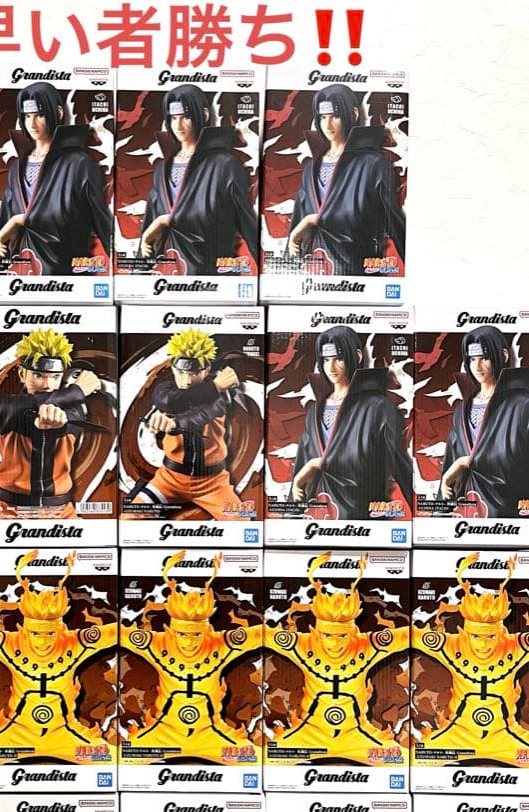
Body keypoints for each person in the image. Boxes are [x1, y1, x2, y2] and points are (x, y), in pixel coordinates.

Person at [412, 553, 529, 759]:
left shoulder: (515, 646)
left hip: (508, 738)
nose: (483, 645)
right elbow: (410, 636)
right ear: (466, 633)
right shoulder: (452, 645)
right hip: (455, 737)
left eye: (491, 636)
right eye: (476, 636)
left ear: (501, 633)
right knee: (413, 759)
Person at [265, 552, 408, 760]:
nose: (335, 644)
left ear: (352, 632)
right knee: (262, 760)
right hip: (307, 735)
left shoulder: (365, 646)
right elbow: (262, 635)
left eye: (342, 636)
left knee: (402, 761)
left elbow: (408, 636)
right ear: (318, 632)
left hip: (359, 737)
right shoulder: (303, 645)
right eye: (328, 636)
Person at [121, 552, 261, 760]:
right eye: (182, 635)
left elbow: (262, 635)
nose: (189, 643)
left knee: (259, 761)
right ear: (173, 631)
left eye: (196, 635)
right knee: (115, 759)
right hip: (161, 735)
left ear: (205, 631)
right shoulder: (157, 644)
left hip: (214, 736)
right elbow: (115, 633)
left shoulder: (220, 644)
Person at [0, 550, 117, 752]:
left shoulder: (74, 643)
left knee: (110, 757)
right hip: (14, 734)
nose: (42, 641)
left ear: (60, 629)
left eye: (50, 633)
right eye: (36, 633)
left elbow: (115, 633)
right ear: (26, 631)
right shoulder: (11, 644)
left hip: (67, 734)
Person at [291, 325, 413, 518]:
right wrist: (290, 515)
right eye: (325, 360)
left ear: (357, 356)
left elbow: (386, 462)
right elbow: (301, 468)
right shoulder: (315, 411)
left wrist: (319, 463)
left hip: (360, 512)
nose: (331, 367)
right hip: (316, 515)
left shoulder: (378, 407)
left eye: (338, 358)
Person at [437, 325, 529, 516]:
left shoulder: (525, 406)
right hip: (465, 515)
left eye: (484, 358)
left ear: (503, 355)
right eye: (472, 359)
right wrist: (438, 516)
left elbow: (527, 462)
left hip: (510, 513)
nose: (477, 367)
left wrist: (466, 461)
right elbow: (449, 471)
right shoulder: (461, 410)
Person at [126, 328, 247, 520]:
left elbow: (199, 416)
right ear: (173, 369)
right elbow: (169, 400)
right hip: (170, 479)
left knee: (243, 522)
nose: (187, 380)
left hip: (213, 483)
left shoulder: (219, 397)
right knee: (129, 519)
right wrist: (214, 386)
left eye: (194, 373)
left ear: (206, 370)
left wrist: (174, 424)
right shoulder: (167, 391)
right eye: (182, 372)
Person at [287, 83, 406, 277]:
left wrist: (315, 219)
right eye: (322, 117)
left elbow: (381, 219)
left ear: (354, 114)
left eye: (335, 116)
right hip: (313, 271)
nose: (327, 125)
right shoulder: (310, 168)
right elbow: (297, 229)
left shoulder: (373, 164)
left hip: (356, 268)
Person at [138, 84, 258, 275]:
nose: (178, 125)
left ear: (204, 114)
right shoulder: (162, 169)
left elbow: (230, 219)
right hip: (165, 271)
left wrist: (167, 220)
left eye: (185, 117)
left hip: (209, 269)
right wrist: (139, 271)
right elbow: (149, 227)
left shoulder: (225, 164)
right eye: (173, 117)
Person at [0, 81, 112, 274]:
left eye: (39, 115)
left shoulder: (79, 163)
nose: (32, 124)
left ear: (58, 113)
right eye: (27, 116)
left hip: (65, 271)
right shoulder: (17, 168)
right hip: (21, 273)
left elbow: (86, 219)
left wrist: (21, 219)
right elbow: (4, 226)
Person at [0, 329, 103, 515]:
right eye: (38, 375)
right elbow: (21, 409)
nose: (47, 385)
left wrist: (57, 425)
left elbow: (72, 419)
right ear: (22, 374)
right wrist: (77, 391)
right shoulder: (8, 406)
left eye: (55, 376)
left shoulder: (74, 409)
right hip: (11, 509)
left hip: (62, 510)